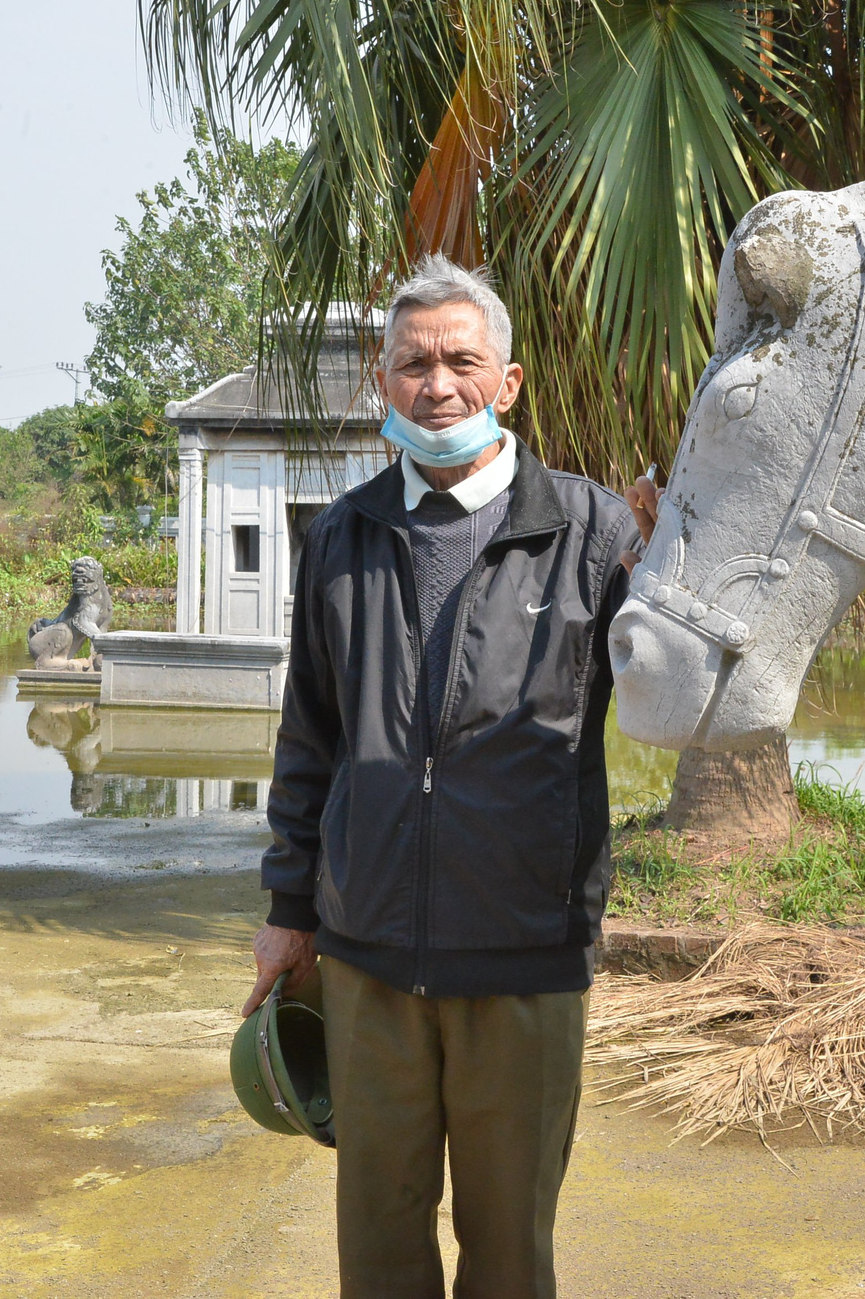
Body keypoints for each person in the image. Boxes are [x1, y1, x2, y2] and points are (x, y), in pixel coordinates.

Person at [244, 254, 658, 1298]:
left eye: (461, 360)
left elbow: (664, 690)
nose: (437, 385)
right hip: (367, 955)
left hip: (522, 952)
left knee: (510, 1247)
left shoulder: (593, 530)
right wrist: (289, 908)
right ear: (382, 382)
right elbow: (310, 738)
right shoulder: (340, 534)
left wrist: (671, 567)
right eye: (413, 363)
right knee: (377, 1246)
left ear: (507, 382)